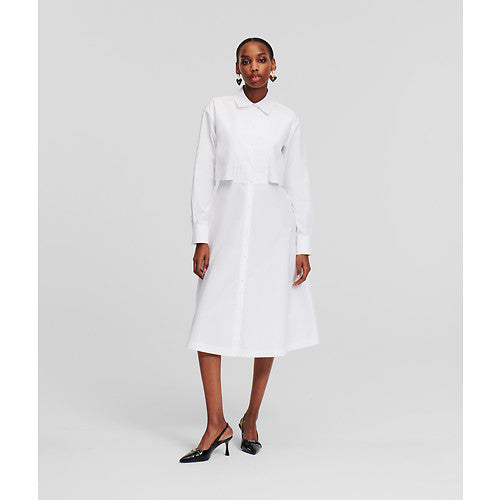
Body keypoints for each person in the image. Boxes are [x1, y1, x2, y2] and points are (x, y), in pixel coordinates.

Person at [179, 37, 319, 463]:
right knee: (209, 321)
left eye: (261, 60)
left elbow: (298, 184)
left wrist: (302, 245)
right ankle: (215, 423)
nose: (254, 67)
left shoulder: (287, 119)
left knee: (267, 322)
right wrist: (201, 234)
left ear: (273, 65)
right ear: (237, 68)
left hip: (273, 233)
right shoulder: (218, 110)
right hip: (226, 225)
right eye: (246, 60)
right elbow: (202, 173)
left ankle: (251, 418)